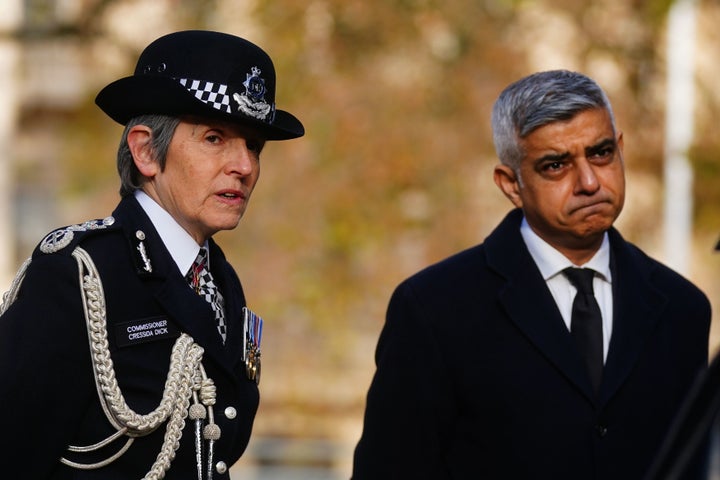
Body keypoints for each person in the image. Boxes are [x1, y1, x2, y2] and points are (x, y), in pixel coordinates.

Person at [352, 69, 711, 479]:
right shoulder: (434, 309)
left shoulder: (683, 309)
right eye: (556, 165)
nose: (590, 181)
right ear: (511, 184)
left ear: (620, 149)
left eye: (601, 152)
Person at [0, 30, 303, 479]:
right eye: (215, 138)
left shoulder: (220, 281)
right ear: (145, 150)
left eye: (253, 145)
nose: (244, 165)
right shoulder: (79, 277)